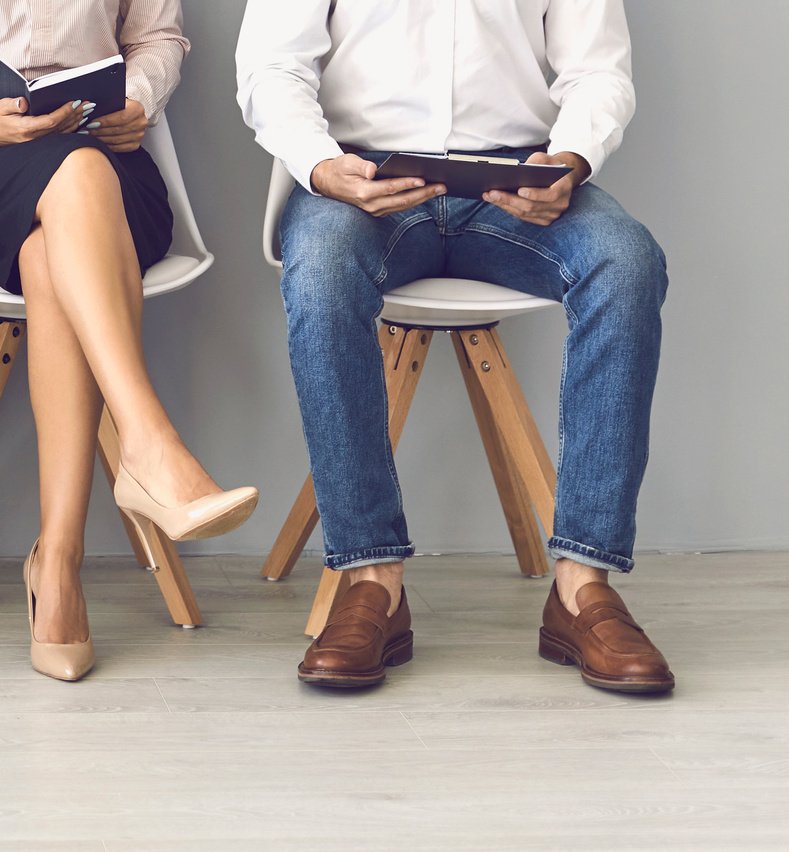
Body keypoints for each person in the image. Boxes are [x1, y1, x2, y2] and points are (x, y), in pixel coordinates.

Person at [236, 0, 675, 692]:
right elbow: (272, 66)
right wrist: (321, 165)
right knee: (319, 276)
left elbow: (597, 71)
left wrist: (571, 158)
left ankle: (582, 588)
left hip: (514, 182)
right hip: (365, 180)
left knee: (627, 264)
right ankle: (371, 578)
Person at [0, 0, 261, 683]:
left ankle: (57, 562)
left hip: (107, 166)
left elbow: (159, 38)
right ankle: (147, 445)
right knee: (69, 195)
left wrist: (138, 99)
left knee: (53, 241)